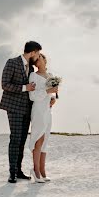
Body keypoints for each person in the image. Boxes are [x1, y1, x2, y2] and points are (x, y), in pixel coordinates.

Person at [0, 41, 42, 183]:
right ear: (33, 52)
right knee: (15, 139)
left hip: (27, 109)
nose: (38, 56)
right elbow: (5, 85)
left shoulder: (31, 68)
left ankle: (18, 171)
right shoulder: (12, 63)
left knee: (22, 140)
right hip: (13, 107)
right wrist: (25, 87)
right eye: (38, 53)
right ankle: (12, 173)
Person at [28, 53, 58, 182]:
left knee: (45, 140)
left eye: (38, 57)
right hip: (38, 110)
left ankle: (43, 170)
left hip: (47, 110)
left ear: (44, 59)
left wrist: (52, 100)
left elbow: (53, 94)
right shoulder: (33, 75)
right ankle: (36, 171)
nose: (36, 59)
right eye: (34, 59)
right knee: (38, 139)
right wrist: (47, 92)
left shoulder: (51, 76)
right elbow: (32, 96)